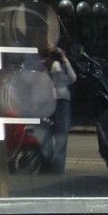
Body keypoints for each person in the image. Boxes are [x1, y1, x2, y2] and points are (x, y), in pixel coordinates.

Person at [41, 45, 76, 174]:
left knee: (61, 138)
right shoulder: (41, 65)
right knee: (45, 137)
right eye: (49, 54)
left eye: (53, 55)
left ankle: (58, 171)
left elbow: (72, 78)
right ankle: (47, 168)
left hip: (62, 102)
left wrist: (64, 60)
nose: (51, 57)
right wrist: (44, 65)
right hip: (45, 103)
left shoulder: (60, 66)